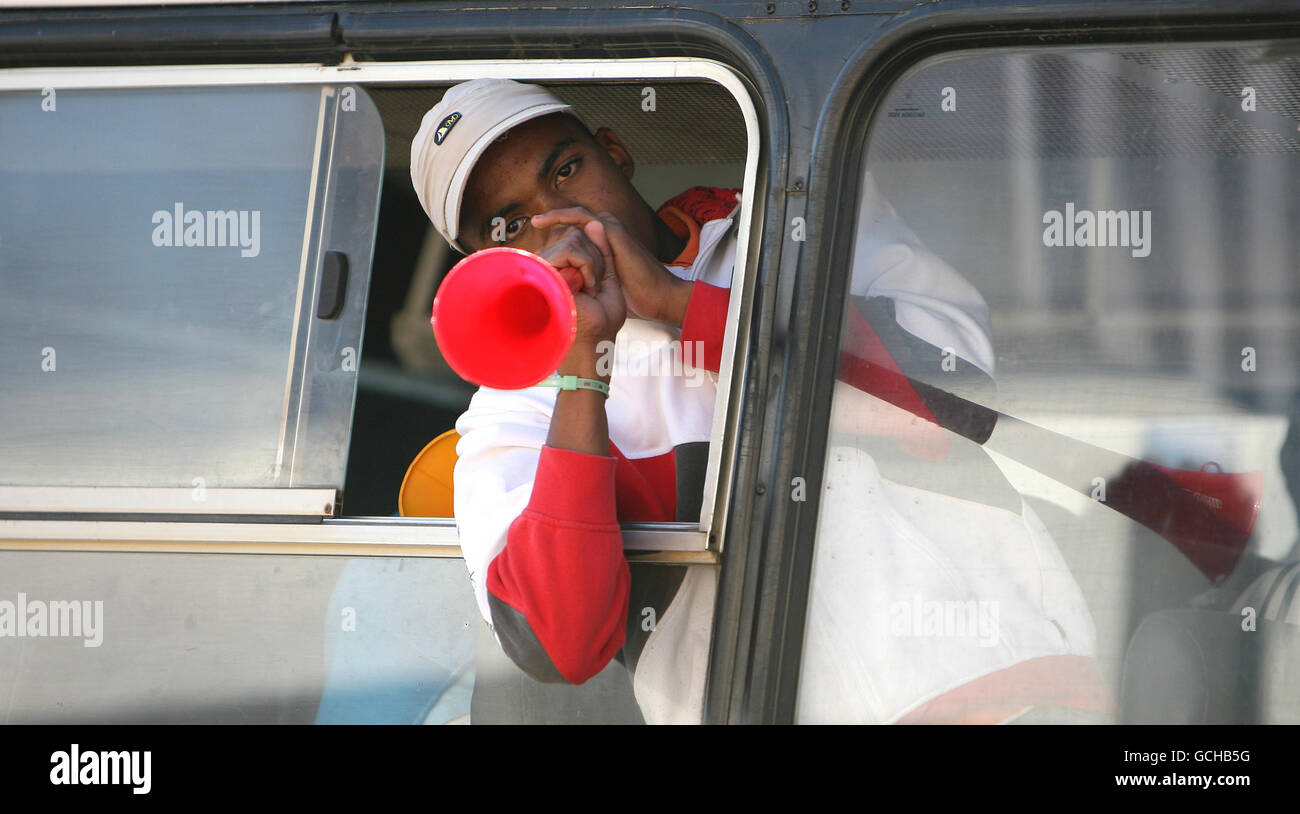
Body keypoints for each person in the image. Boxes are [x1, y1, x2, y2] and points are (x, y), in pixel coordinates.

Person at [409, 78, 1108, 724]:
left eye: (565, 170)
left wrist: (683, 305)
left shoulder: (800, 214)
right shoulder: (512, 412)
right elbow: (562, 642)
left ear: (616, 154)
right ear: (485, 265)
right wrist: (583, 374)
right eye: (507, 225)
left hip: (1015, 690)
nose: (556, 218)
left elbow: (957, 387)